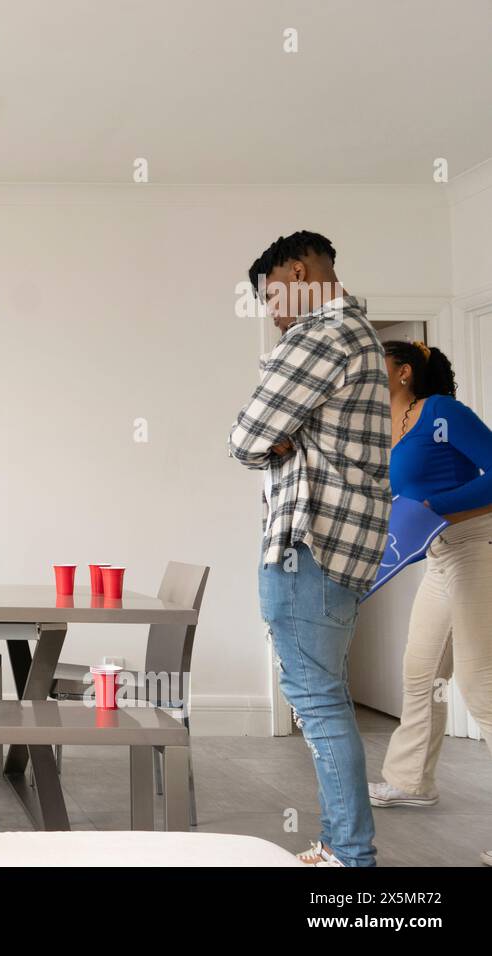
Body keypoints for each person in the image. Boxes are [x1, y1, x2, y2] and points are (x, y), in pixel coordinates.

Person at [227, 231, 391, 867]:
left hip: (308, 543)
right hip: (347, 549)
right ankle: (344, 849)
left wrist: (271, 441)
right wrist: (280, 438)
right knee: (326, 694)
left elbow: (244, 437)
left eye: (271, 294)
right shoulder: (363, 336)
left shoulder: (319, 334)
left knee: (317, 700)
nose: (271, 312)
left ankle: (349, 856)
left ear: (297, 271)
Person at [367, 340, 492, 867]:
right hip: (442, 553)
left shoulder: (441, 412)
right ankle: (410, 779)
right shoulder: (384, 428)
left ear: (402, 373)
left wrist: (435, 507)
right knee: (421, 670)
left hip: (477, 545)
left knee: (480, 681)